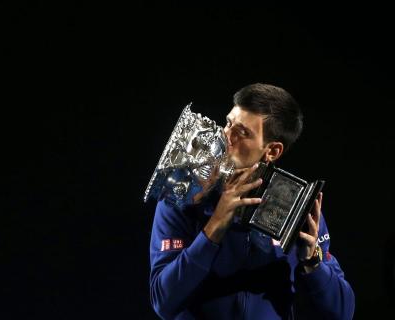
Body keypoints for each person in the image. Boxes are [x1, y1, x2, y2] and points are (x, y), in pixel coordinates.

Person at [149, 83, 355, 319]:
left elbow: (343, 312)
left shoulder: (297, 210)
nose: (226, 137)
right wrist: (214, 227)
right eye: (228, 124)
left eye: (242, 133)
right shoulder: (182, 197)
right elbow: (163, 302)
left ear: (273, 151)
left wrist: (312, 261)